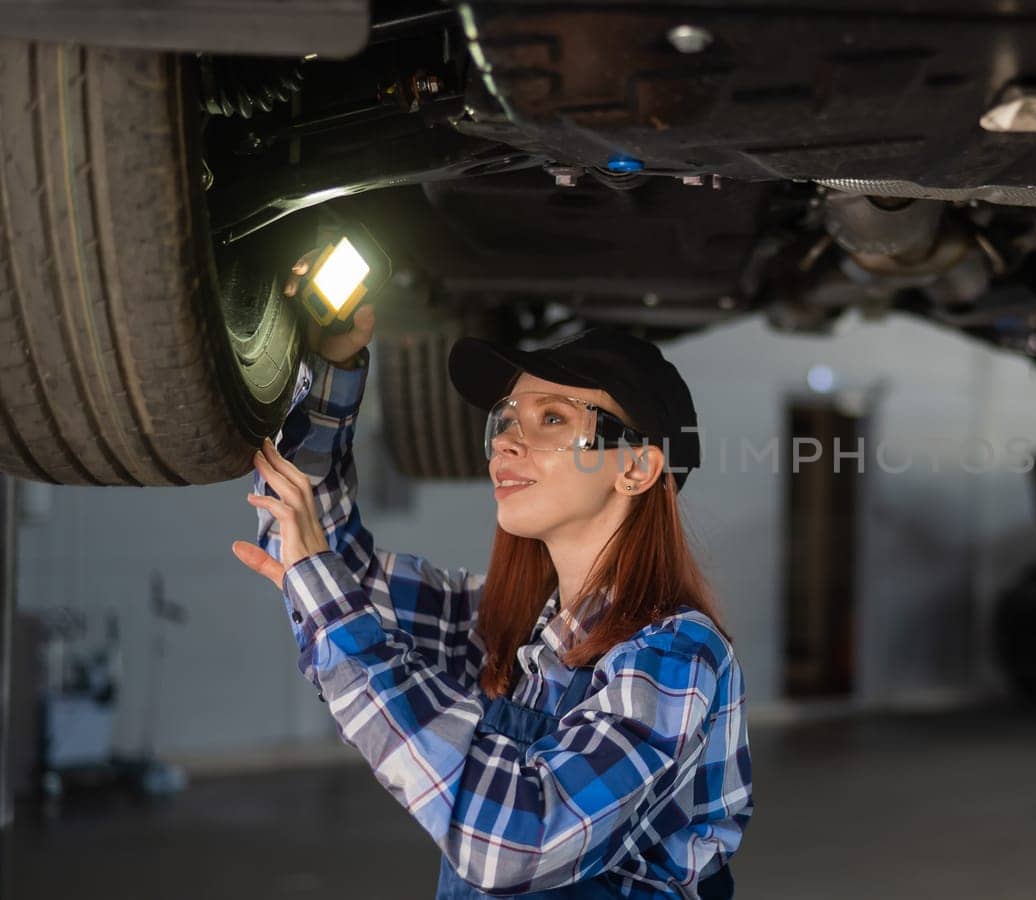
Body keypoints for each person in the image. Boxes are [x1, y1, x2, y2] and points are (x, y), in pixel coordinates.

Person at [229, 281, 751, 899]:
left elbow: (514, 843)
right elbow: (329, 572)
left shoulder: (674, 659)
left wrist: (328, 596)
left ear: (636, 468)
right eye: (506, 419)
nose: (505, 439)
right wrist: (332, 368)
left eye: (551, 418)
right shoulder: (512, 629)